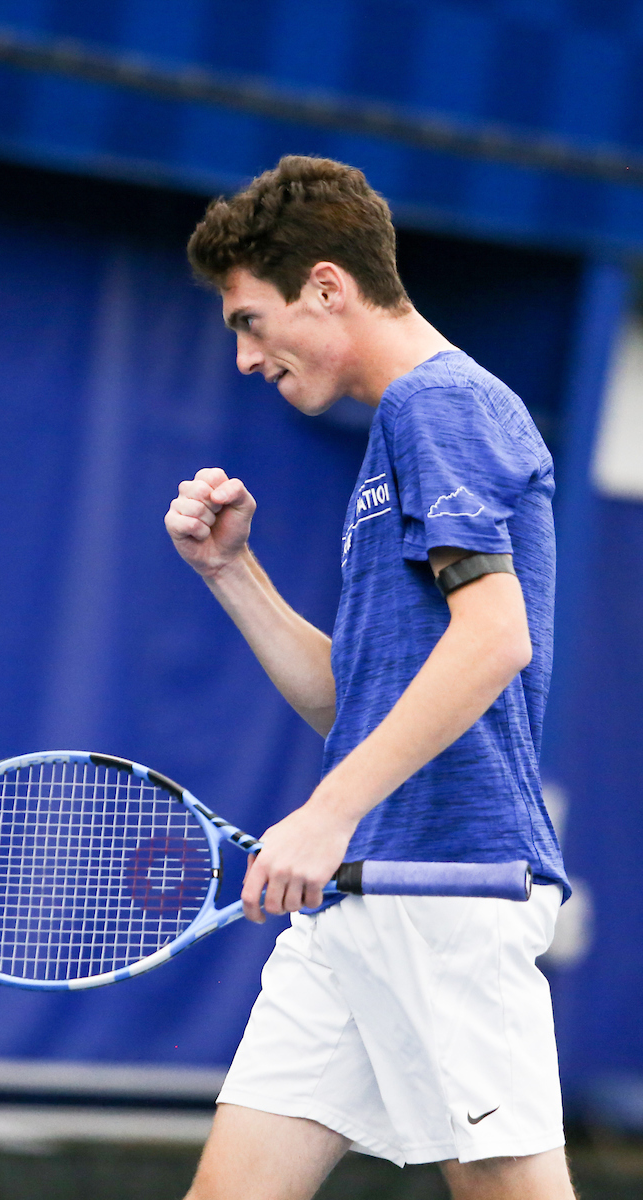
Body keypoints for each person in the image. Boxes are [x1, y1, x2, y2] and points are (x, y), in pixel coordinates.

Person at [164, 156, 574, 1200]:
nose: (247, 357)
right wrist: (231, 573)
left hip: (449, 889)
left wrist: (324, 813)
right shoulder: (402, 434)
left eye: (250, 322)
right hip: (352, 906)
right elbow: (359, 709)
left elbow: (493, 640)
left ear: (327, 288)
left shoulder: (437, 407)